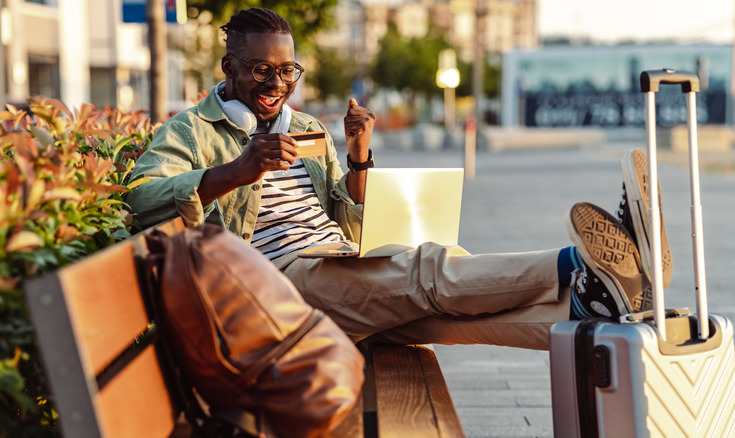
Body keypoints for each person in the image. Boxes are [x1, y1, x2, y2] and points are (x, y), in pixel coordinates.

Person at [126, 8, 672, 351]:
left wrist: (360, 157)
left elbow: (348, 215)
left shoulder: (309, 128)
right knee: (430, 271)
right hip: (277, 283)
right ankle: (583, 263)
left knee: (452, 320)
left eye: (286, 70)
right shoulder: (192, 130)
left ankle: (601, 313)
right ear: (230, 69)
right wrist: (236, 170)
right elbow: (142, 197)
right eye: (258, 68)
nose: (274, 82)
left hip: (335, 262)